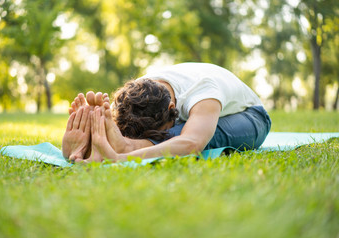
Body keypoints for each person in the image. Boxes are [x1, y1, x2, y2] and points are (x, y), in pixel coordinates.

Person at [62, 62, 271, 163]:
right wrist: (95, 125)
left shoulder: (203, 91)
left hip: (251, 116)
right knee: (170, 133)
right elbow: (131, 119)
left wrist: (121, 157)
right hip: (201, 115)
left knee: (192, 133)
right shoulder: (138, 90)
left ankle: (125, 146)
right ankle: (94, 145)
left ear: (173, 108)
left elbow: (192, 143)